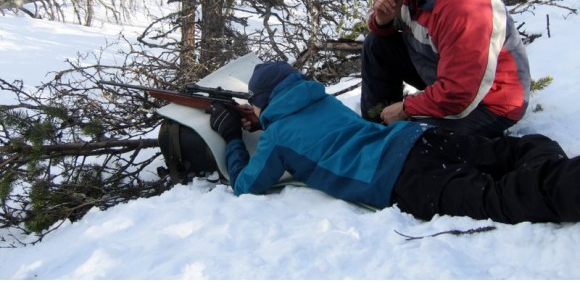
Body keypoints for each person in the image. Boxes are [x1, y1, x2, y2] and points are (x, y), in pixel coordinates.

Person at [209, 61, 580, 225]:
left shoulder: (277, 138)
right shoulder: (321, 99)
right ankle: (547, 166)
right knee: (513, 151)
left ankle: (560, 183)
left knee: (497, 198)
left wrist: (232, 138)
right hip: (418, 138)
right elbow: (305, 127)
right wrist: (265, 119)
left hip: (399, 179)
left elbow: (246, 185)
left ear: (263, 102)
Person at [362, 0, 531, 138]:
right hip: (444, 74)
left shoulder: (464, 10)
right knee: (376, 44)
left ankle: (393, 137)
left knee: (414, 140)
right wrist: (382, 21)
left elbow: (460, 94)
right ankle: (376, 128)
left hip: (490, 102)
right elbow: (386, 36)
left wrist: (406, 109)